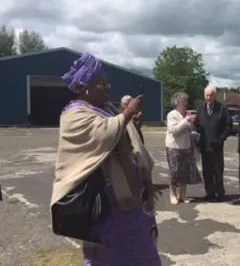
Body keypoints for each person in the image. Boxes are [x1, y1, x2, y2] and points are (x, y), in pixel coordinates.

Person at [51, 53, 161, 265]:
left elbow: (119, 137)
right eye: (101, 83)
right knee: (108, 254)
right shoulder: (74, 113)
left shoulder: (105, 109)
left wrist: (132, 125)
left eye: (107, 83)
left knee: (141, 249)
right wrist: (127, 113)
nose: (107, 87)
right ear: (84, 86)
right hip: (105, 204)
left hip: (128, 199)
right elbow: (102, 135)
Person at [194, 85, 232, 202]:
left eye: (211, 95)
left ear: (215, 96)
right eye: (207, 95)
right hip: (204, 146)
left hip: (217, 146)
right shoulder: (200, 109)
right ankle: (210, 193)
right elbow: (196, 126)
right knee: (207, 171)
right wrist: (198, 143)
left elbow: (228, 126)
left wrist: (221, 139)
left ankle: (220, 193)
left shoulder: (222, 108)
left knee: (218, 171)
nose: (209, 97)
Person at [165, 92, 202, 205]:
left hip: (187, 147)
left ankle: (182, 195)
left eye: (186, 101)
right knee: (175, 172)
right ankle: (172, 194)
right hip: (174, 147)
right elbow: (174, 131)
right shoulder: (172, 114)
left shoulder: (187, 113)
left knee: (185, 172)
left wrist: (194, 135)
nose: (187, 103)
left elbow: (190, 129)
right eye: (184, 101)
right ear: (178, 103)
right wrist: (186, 121)